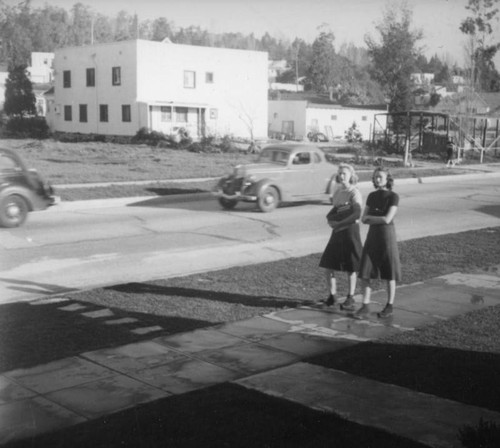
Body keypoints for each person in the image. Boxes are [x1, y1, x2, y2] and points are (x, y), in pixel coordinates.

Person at [354, 167, 401, 319]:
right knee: (366, 270)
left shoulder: (393, 196)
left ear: (388, 178)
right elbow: (363, 218)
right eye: (375, 177)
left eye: (380, 177)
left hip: (387, 236)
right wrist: (376, 218)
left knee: (389, 272)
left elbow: (387, 219)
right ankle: (365, 305)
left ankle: (389, 306)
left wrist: (372, 218)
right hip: (373, 235)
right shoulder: (372, 196)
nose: (377, 179)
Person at [318, 163, 362, 309]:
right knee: (328, 264)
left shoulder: (354, 192)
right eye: (340, 173)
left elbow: (356, 213)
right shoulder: (337, 191)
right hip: (337, 231)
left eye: (345, 173)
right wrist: (331, 221)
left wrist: (341, 223)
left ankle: (350, 297)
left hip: (350, 232)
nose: (342, 176)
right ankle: (332, 296)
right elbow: (335, 210)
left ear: (351, 176)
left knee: (351, 267)